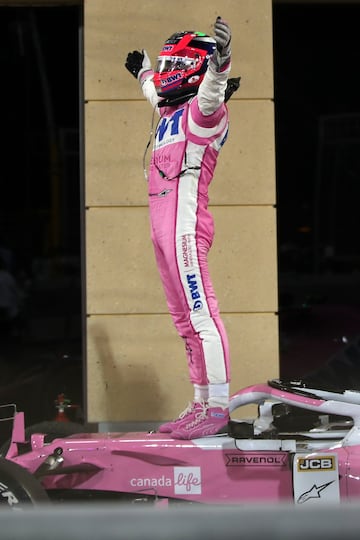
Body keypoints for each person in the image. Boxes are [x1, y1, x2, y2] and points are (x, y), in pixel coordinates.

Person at [125, 17, 239, 439]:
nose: (166, 70)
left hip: (185, 230)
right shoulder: (170, 110)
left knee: (201, 315)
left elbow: (211, 90)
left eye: (172, 63)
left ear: (192, 67)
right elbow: (156, 92)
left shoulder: (203, 113)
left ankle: (218, 407)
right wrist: (142, 72)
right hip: (163, 230)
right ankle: (199, 402)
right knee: (183, 320)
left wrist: (222, 61)